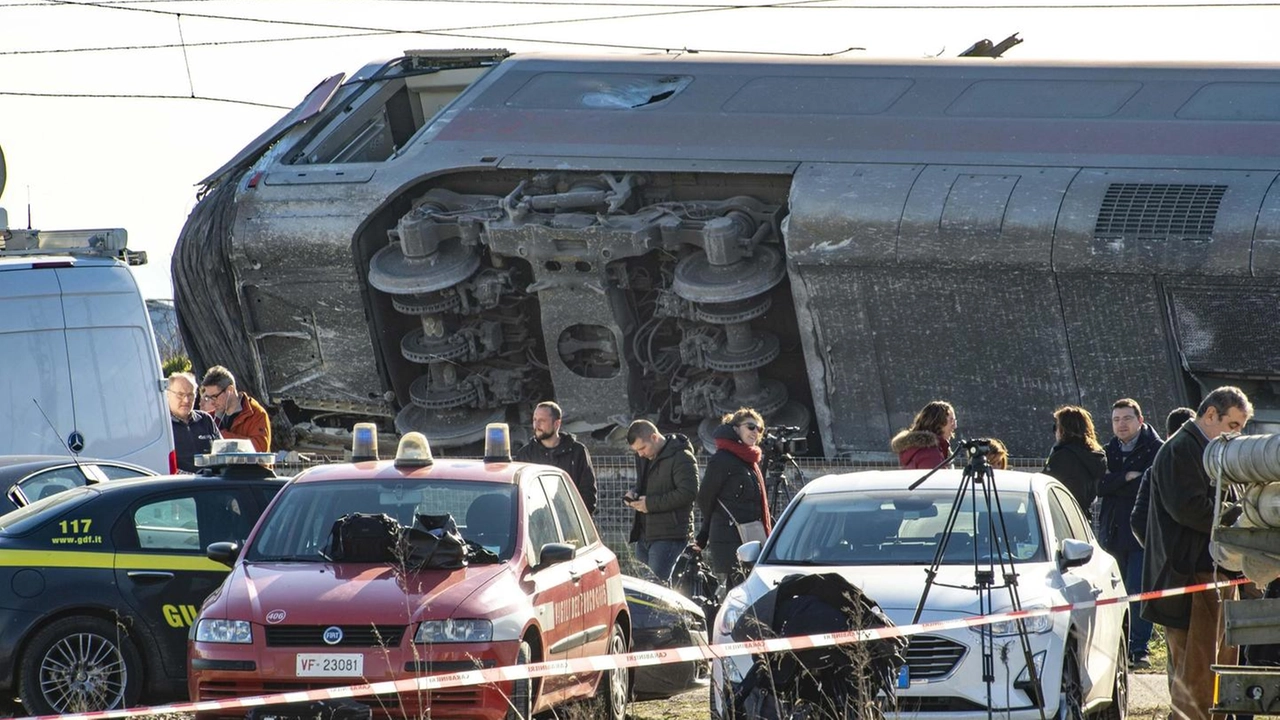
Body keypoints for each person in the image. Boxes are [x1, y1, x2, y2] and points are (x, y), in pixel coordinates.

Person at [1143, 387, 1252, 720]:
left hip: (1215, 574)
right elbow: (1189, 509)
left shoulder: (1211, 450)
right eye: (1233, 425)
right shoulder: (1182, 449)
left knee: (1217, 671)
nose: (1238, 434)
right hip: (1190, 576)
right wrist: (1239, 519)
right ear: (1209, 415)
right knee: (1196, 676)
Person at [1097, 398, 1163, 669]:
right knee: (1113, 593)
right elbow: (1099, 486)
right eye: (1116, 420)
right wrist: (1125, 477)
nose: (1121, 424)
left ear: (1140, 420)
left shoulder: (1156, 449)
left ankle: (1139, 648)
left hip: (1143, 532)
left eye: (1126, 418)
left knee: (1138, 590)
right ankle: (1115, 648)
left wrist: (1117, 482)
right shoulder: (1106, 451)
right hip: (1112, 532)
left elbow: (1149, 486)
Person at [695, 408, 772, 588]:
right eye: (751, 427)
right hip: (730, 537)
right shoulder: (722, 459)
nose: (755, 432)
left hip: (748, 535)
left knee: (745, 587)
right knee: (738, 588)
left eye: (759, 430)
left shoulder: (749, 460)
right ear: (736, 428)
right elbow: (705, 498)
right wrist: (713, 526)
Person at [625, 419, 698, 583]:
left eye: (642, 448)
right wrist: (635, 493)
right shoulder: (645, 457)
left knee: (656, 590)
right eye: (636, 451)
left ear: (654, 437)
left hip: (669, 534)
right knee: (646, 589)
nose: (640, 454)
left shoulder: (681, 456)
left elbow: (688, 493)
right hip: (645, 534)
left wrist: (649, 504)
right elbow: (647, 487)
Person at [514, 401, 598, 514]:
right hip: (535, 524)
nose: (536, 425)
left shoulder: (577, 452)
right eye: (534, 420)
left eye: (542, 421)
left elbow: (588, 492)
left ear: (557, 423)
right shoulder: (525, 455)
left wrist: (574, 521)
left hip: (570, 525)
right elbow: (518, 494)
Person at [1131, 406, 1196, 548]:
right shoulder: (1208, 470)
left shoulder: (1154, 471)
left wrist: (1158, 550)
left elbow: (1138, 520)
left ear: (1167, 435)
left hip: (1166, 557)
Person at [1042, 405, 1106, 517]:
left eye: (1056, 427)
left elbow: (1044, 484)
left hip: (1061, 514)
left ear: (1063, 429)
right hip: (1082, 516)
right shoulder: (1097, 456)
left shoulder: (1063, 456)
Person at [200, 366, 271, 452]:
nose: (212, 402)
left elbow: (260, 448)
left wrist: (222, 436)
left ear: (230, 389)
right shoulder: (210, 418)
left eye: (215, 396)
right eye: (208, 397)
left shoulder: (256, 414)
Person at [167, 371, 221, 472]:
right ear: (167, 395)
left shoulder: (205, 419)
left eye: (190, 395)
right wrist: (193, 479)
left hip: (212, 482)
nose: (186, 400)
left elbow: (222, 452)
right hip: (181, 485)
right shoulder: (163, 426)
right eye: (180, 395)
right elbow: (162, 465)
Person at [890, 401, 957, 469]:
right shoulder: (930, 454)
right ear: (938, 423)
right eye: (951, 421)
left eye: (955, 421)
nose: (955, 426)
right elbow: (937, 479)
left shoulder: (916, 450)